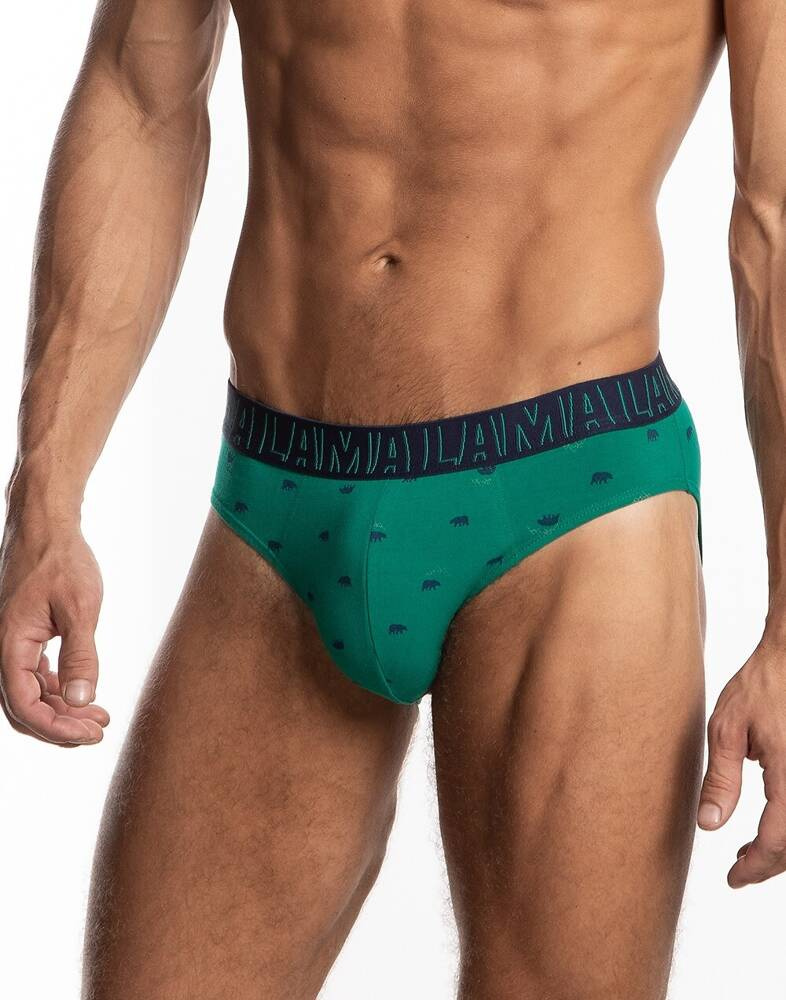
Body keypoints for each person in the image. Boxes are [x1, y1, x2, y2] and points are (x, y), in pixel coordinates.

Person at [1, 0, 784, 997]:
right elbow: (139, 93)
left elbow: (776, 215)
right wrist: (44, 495)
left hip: (571, 496)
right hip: (278, 502)